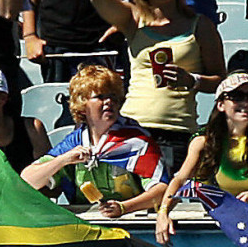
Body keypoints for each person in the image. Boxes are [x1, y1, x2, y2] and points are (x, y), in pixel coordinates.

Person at [90, 0, 227, 172]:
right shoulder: (133, 19)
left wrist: (191, 80)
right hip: (133, 128)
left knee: (167, 202)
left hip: (176, 131)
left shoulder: (200, 25)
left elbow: (220, 80)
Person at [156, 74, 248, 242]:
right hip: (226, 229)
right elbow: (180, 181)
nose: (246, 103)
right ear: (221, 104)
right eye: (237, 97)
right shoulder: (203, 142)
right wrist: (163, 213)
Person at [20, 63, 167, 219]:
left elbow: (162, 189)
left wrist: (124, 208)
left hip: (134, 222)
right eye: (100, 97)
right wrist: (64, 160)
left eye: (113, 97)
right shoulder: (74, 143)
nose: (109, 101)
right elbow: (28, 180)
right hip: (85, 224)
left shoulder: (137, 140)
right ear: (82, 105)